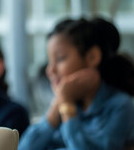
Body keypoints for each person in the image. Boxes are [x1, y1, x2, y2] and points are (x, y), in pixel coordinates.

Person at [19, 17, 134, 149]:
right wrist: (58, 105)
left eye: (60, 59)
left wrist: (67, 105)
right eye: (49, 61)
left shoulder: (120, 106)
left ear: (92, 57)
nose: (50, 70)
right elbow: (23, 148)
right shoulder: (63, 105)